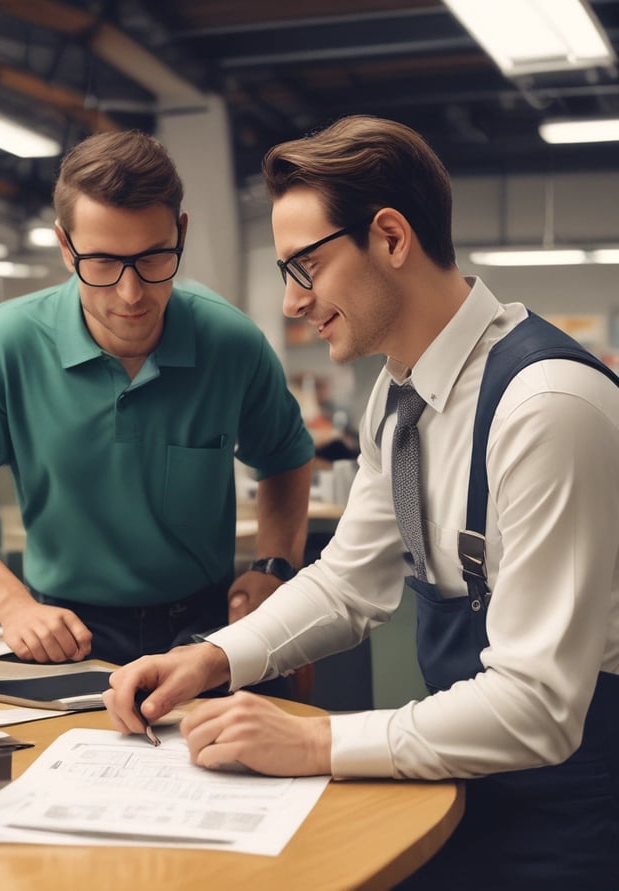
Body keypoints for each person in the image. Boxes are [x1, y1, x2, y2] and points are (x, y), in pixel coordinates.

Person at [104, 116, 619, 890]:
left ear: (390, 237)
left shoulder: (546, 406)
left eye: (304, 267)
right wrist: (212, 656)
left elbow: (539, 706)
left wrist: (315, 744)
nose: (289, 302)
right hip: (465, 775)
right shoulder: (399, 395)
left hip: (578, 801)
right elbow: (350, 580)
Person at [0, 129, 315, 668]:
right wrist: (14, 607)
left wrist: (274, 565)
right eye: (100, 262)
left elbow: (284, 458)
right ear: (64, 245)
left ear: (182, 233)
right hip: (66, 632)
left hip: (206, 629)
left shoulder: (232, 343)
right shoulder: (2, 345)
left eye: (153, 258)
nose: (130, 293)